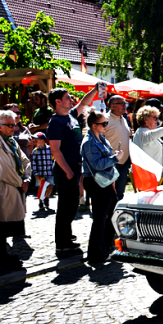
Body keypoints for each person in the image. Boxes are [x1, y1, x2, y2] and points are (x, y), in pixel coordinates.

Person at [47, 87, 97, 253]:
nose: (71, 100)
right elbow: (55, 150)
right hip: (65, 168)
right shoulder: (55, 122)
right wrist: (68, 171)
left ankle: (67, 236)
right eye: (67, 98)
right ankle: (62, 242)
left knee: (72, 204)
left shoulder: (70, 116)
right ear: (58, 102)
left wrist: (95, 89)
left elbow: (84, 102)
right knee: (65, 206)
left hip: (74, 166)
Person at [0, 110, 31, 268]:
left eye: (14, 124)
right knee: (1, 222)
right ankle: (0, 254)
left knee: (8, 221)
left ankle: (2, 252)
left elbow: (24, 160)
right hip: (1, 188)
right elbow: (3, 170)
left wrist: (26, 178)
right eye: (9, 125)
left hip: (13, 186)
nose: (13, 128)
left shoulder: (9, 140)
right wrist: (20, 182)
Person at [80, 110, 121, 263]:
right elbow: (96, 165)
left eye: (106, 123)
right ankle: (96, 253)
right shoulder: (89, 142)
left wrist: (113, 156)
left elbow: (105, 157)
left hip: (106, 181)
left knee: (112, 215)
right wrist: (115, 158)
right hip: (96, 182)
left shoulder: (101, 138)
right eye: (103, 123)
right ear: (94, 125)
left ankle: (106, 247)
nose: (106, 125)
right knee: (99, 217)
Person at [104, 95, 132, 201]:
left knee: (120, 193)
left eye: (125, 103)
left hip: (124, 161)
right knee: (109, 193)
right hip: (111, 162)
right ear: (112, 106)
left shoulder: (123, 119)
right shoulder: (105, 119)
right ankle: (107, 215)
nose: (125, 105)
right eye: (121, 103)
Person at [31, 133, 54, 211]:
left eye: (35, 141)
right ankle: (41, 201)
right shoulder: (35, 151)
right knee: (41, 187)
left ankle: (46, 197)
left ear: (42, 141)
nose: (34, 143)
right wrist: (35, 172)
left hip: (49, 172)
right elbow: (33, 163)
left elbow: (53, 159)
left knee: (50, 185)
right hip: (40, 173)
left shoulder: (50, 149)